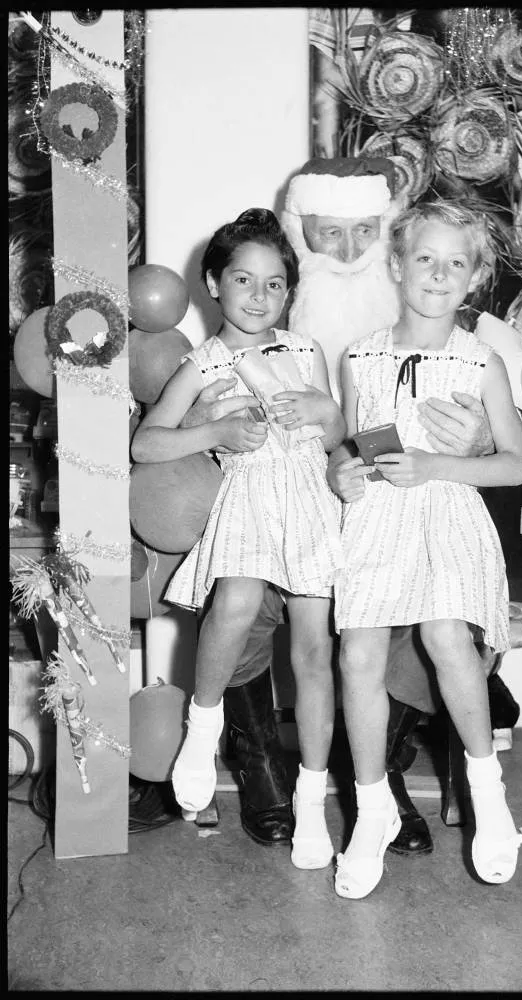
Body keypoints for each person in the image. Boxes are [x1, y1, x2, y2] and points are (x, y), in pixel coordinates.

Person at [182, 156, 518, 854]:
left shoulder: (452, 337)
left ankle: (382, 774)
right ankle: (260, 762)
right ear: (297, 235)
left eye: (363, 231)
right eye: (327, 233)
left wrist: (474, 442)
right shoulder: (271, 320)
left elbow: (443, 432)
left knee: (415, 625)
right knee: (248, 605)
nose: (345, 250)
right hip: (288, 510)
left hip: (392, 512)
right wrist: (207, 429)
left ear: (385, 240)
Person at [132, 208, 346, 871]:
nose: (259, 295)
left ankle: (311, 800)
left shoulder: (306, 351)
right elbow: (146, 443)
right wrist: (216, 433)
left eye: (275, 283)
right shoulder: (205, 362)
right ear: (213, 283)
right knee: (236, 600)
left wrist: (327, 413)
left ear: (290, 292)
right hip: (250, 497)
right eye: (244, 280)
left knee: (315, 652)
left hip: (310, 503)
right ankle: (203, 731)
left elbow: (334, 437)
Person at [332, 201, 522, 899]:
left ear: (475, 278)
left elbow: (514, 465)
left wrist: (435, 466)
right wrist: (340, 473)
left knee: (447, 635)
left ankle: (488, 792)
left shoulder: (482, 362)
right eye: (425, 258)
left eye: (456, 263)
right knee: (357, 654)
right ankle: (371, 808)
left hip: (447, 509)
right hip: (378, 517)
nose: (439, 274)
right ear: (396, 265)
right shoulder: (358, 357)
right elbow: (349, 447)